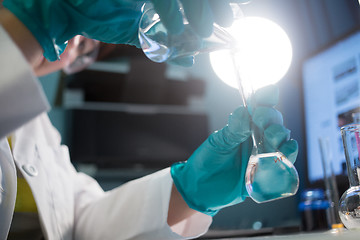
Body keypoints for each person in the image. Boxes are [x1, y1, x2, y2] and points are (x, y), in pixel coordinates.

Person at [0, 0, 298, 239]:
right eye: (69, 27)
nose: (66, 45)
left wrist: (188, 191)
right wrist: (32, 22)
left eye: (84, 46)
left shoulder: (40, 132)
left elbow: (78, 227)